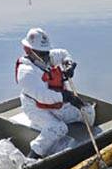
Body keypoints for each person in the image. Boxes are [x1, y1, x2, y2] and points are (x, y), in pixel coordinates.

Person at [14, 27, 94, 158]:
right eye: (42, 53)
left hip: (57, 104)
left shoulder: (48, 57)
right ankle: (32, 158)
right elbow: (43, 97)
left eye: (46, 52)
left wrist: (69, 64)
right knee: (58, 128)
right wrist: (66, 96)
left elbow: (63, 54)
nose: (46, 56)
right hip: (36, 108)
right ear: (29, 50)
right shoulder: (26, 72)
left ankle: (89, 142)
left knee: (88, 112)